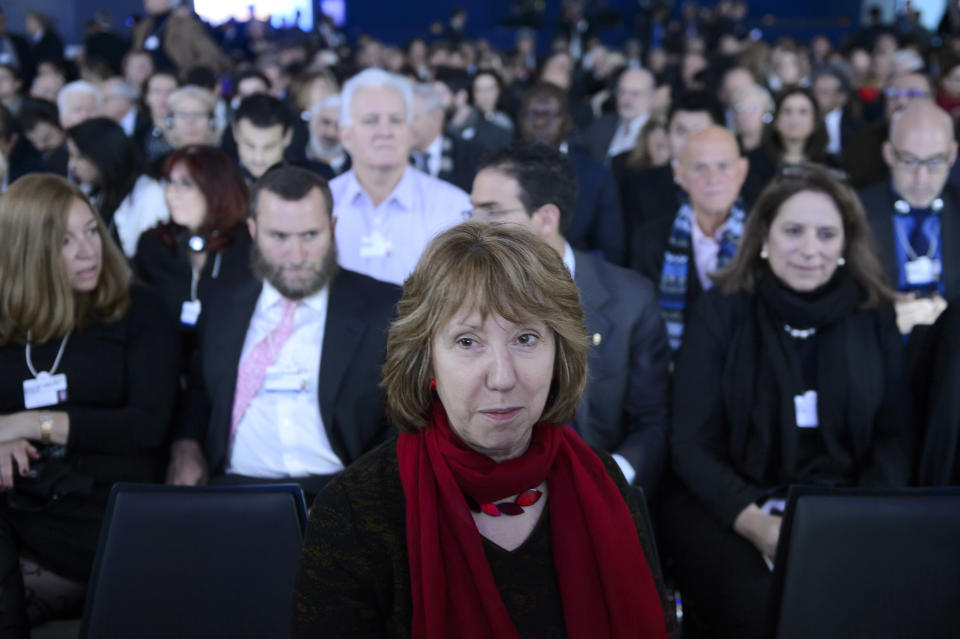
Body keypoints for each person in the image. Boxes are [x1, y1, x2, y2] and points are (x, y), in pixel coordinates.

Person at [292, 220, 673, 638]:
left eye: (526, 338)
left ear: (558, 354)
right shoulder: (355, 511)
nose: (502, 377)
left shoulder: (605, 482)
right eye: (468, 342)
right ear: (426, 360)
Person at [661, 164, 914, 637]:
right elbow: (690, 443)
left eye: (826, 234)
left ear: (845, 244)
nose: (810, 249)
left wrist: (857, 520)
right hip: (731, 504)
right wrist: (755, 523)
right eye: (793, 231)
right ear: (763, 237)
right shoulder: (720, 310)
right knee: (762, 612)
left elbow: (894, 434)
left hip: (848, 504)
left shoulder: (871, 314)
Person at [0, 174, 178, 636]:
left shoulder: (141, 309)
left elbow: (146, 427)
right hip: (22, 498)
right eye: (64, 241)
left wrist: (29, 424)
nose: (87, 250)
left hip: (103, 504)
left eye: (91, 231)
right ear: (26, 253)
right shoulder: (7, 320)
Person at [167, 167, 400, 498]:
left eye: (310, 235)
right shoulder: (221, 304)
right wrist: (186, 445)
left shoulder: (386, 307)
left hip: (341, 494)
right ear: (253, 231)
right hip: (234, 492)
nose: (296, 255)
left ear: (333, 229)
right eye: (278, 237)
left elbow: (406, 417)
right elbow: (201, 389)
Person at [469, 142, 670, 501]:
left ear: (546, 218)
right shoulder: (464, 298)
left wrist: (609, 479)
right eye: (471, 212)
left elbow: (651, 420)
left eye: (492, 213)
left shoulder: (630, 299)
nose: (473, 226)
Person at [330, 68, 468, 286]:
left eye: (396, 120)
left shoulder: (452, 208)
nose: (385, 131)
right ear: (345, 135)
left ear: (411, 131)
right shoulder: (323, 204)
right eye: (371, 120)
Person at [632, 126, 749, 350]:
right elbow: (645, 328)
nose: (713, 178)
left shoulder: (766, 239)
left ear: (742, 171)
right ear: (680, 175)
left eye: (723, 166)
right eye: (700, 168)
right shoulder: (649, 240)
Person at [134, 145, 251, 365]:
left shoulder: (246, 246)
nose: (171, 193)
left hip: (229, 365)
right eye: (169, 182)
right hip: (165, 367)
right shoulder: (153, 246)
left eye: (186, 184)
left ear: (216, 188)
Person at [860, 99, 958, 335]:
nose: (921, 178)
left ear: (953, 154)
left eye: (935, 161)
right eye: (909, 160)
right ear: (888, 154)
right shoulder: (857, 212)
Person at [518, 81, 626, 265]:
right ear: (520, 120)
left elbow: (611, 251)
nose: (540, 122)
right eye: (532, 114)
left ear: (567, 123)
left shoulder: (595, 176)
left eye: (548, 115)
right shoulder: (498, 172)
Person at [581, 68, 655, 162]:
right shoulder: (600, 126)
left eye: (635, 93)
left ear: (651, 98)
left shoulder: (658, 134)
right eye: (622, 91)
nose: (626, 99)